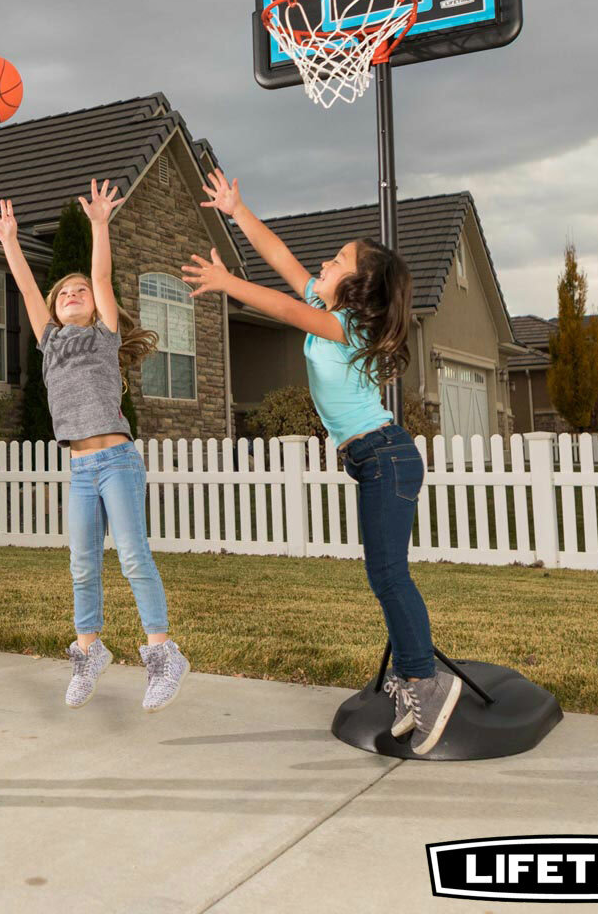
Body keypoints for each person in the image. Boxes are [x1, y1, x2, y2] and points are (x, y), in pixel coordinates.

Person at [186, 168, 460, 756]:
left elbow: (285, 310)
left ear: (359, 286)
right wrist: (238, 210)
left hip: (385, 456)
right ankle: (412, 676)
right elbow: (283, 260)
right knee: (384, 575)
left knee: (389, 575)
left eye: (337, 261)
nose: (324, 265)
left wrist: (227, 281)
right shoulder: (330, 304)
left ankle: (426, 684)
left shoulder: (346, 326)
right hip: (372, 459)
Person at [0, 180, 190, 711]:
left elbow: (101, 275)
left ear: (96, 308)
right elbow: (29, 293)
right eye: (65, 293)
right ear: (56, 310)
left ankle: (164, 654)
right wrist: (9, 240)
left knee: (133, 556)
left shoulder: (104, 336)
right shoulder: (50, 339)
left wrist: (100, 224)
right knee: (82, 564)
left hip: (118, 461)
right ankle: (88, 650)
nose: (73, 294)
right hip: (78, 468)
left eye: (81, 292)